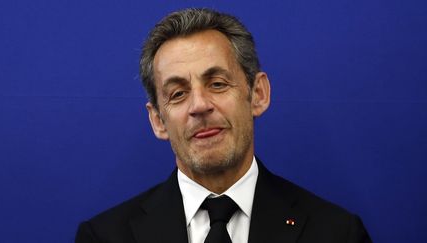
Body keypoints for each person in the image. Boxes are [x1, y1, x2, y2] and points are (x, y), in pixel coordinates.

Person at [75, 8, 372, 243]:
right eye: (177, 94)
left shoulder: (337, 233)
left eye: (217, 84)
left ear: (257, 94)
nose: (199, 105)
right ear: (158, 120)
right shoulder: (104, 237)